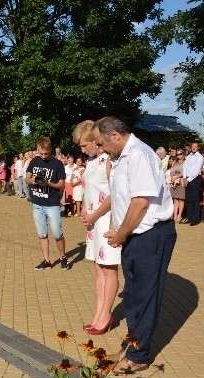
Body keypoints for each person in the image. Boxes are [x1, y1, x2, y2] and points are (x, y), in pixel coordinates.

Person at [92, 116, 176, 374]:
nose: (100, 149)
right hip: (135, 235)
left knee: (144, 297)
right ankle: (131, 347)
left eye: (101, 143)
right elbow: (122, 198)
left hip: (150, 235)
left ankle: (138, 356)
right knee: (134, 296)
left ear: (115, 135)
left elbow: (140, 202)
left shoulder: (139, 154)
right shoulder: (121, 158)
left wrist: (120, 234)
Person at [74, 120, 121, 336]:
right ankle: (98, 313)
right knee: (99, 269)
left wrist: (94, 214)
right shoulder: (91, 162)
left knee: (109, 268)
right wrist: (84, 209)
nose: (82, 150)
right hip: (93, 221)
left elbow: (116, 193)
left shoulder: (109, 160)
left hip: (107, 220)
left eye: (84, 145)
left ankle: (106, 315)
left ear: (95, 140)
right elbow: (88, 189)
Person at [25, 137, 69, 271]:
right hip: (37, 203)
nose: (44, 156)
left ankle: (62, 257)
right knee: (42, 234)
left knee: (57, 233)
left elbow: (61, 184)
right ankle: (46, 260)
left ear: (51, 149)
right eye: (41, 153)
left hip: (52, 204)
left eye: (47, 153)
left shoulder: (57, 164)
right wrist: (32, 181)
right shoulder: (34, 161)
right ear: (37, 149)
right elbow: (27, 179)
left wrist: (47, 183)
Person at [182, 140, 204, 225]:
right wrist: (184, 178)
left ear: (198, 147)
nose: (194, 148)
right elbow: (185, 167)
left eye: (196, 146)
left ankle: (195, 218)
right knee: (189, 200)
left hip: (195, 179)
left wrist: (188, 179)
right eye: (192, 146)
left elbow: (196, 170)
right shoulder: (188, 156)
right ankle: (189, 217)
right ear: (190, 147)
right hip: (187, 179)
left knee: (195, 199)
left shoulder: (200, 157)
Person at [169, 149, 186, 223]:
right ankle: (175, 215)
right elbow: (172, 171)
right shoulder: (174, 163)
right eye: (177, 154)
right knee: (175, 199)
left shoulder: (185, 163)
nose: (179, 156)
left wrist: (177, 176)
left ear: (183, 154)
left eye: (180, 154)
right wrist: (172, 178)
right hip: (175, 182)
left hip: (181, 182)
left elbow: (184, 172)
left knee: (181, 199)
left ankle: (179, 215)